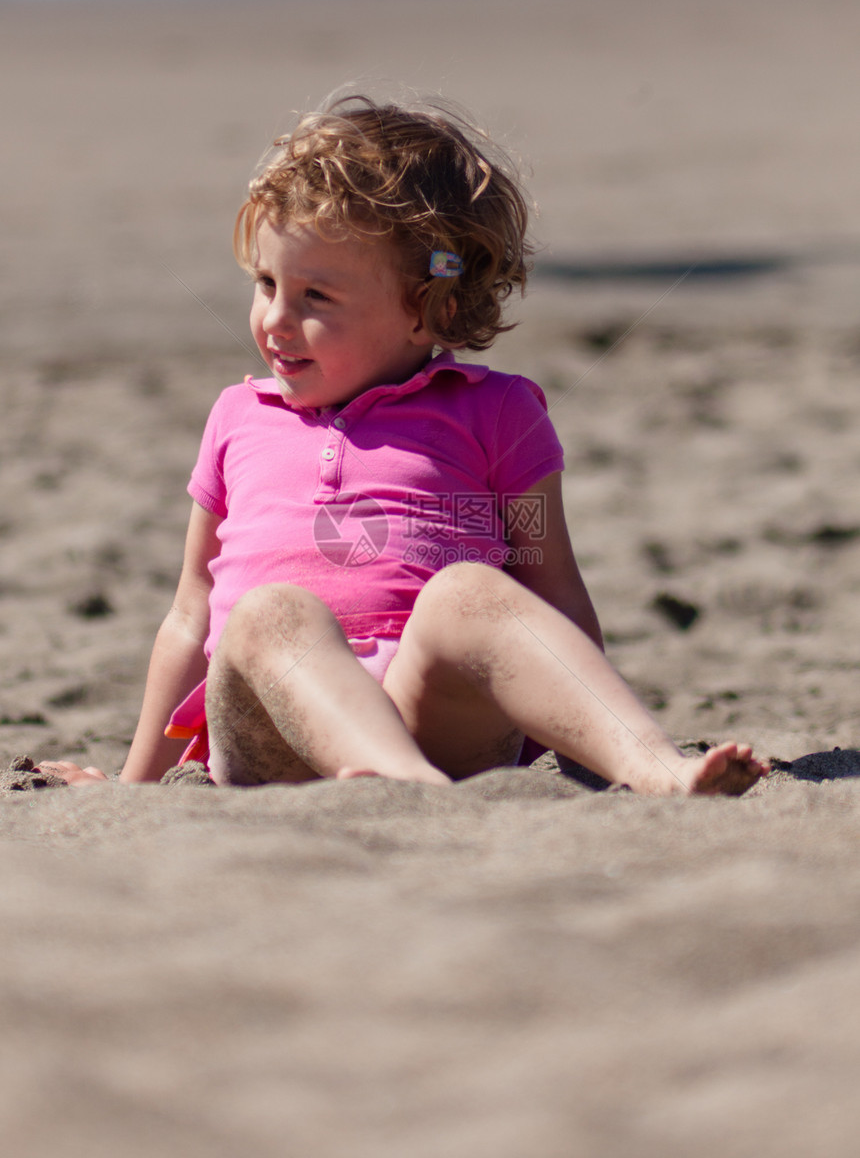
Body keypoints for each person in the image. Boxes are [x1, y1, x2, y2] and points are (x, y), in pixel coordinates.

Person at [40, 94, 768, 795]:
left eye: (315, 298)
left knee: (472, 591)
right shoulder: (237, 418)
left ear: (430, 308)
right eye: (266, 283)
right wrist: (136, 784)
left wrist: (577, 742)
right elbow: (192, 610)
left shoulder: (498, 413)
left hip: (439, 716)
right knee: (268, 613)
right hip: (274, 731)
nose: (275, 320)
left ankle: (654, 766)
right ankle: (396, 779)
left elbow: (551, 591)